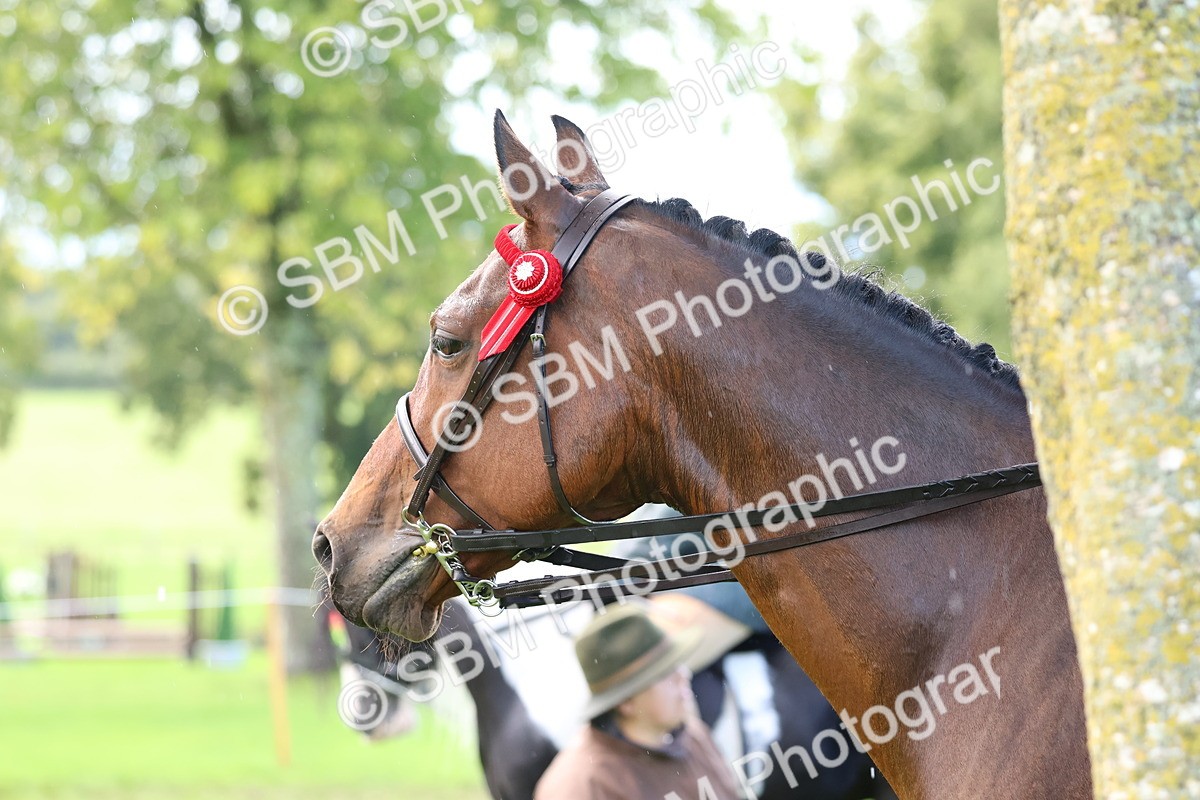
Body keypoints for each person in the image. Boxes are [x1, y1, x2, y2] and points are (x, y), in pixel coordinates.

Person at [533, 603, 740, 800]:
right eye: (663, 673)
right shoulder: (580, 788)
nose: (682, 676)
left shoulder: (693, 736)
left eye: (677, 664)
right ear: (625, 702)